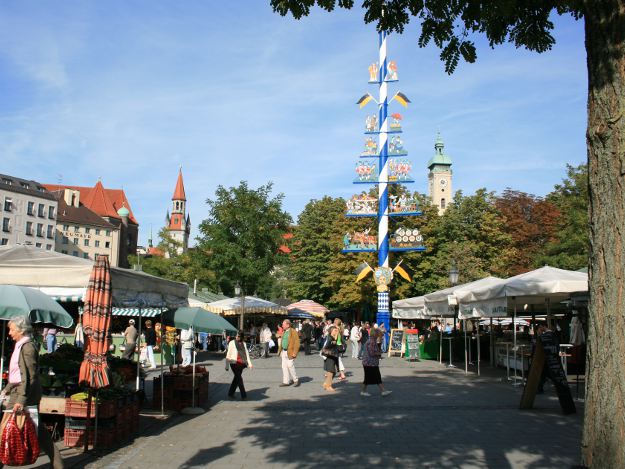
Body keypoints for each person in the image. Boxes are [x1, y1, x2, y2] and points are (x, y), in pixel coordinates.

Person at [0, 317, 64, 468]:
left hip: (23, 394)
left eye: (12, 329)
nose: (10, 333)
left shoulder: (27, 347)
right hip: (20, 391)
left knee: (4, 430)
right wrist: (6, 389)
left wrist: (20, 400)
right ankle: (59, 465)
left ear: (21, 330)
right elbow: (17, 374)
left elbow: (30, 375)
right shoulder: (20, 345)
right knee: (40, 433)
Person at [361, 328, 392, 397]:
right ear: (375, 334)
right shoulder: (372, 341)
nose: (379, 335)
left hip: (369, 363)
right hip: (370, 363)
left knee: (373, 377)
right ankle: (382, 390)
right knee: (372, 377)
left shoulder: (372, 340)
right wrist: (379, 353)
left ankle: (382, 390)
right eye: (378, 334)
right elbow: (372, 353)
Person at [226, 330, 253, 400]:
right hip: (233, 363)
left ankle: (230, 393)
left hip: (241, 363)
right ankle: (244, 396)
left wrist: (250, 364)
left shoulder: (243, 343)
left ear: (241, 337)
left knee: (236, 379)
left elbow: (246, 354)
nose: (236, 337)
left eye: (238, 336)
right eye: (236, 336)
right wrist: (227, 365)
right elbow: (228, 354)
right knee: (239, 379)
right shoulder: (232, 343)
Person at [277, 319, 300, 387]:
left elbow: (297, 343)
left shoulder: (293, 331)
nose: (282, 326)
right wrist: (279, 351)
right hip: (284, 351)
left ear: (288, 325)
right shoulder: (284, 331)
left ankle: (295, 380)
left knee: (290, 365)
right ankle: (286, 382)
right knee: (284, 367)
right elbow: (282, 342)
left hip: (290, 352)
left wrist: (295, 353)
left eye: (283, 324)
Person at [321, 326, 340, 392]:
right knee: (330, 372)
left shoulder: (332, 338)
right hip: (329, 357)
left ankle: (326, 383)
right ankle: (328, 386)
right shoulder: (329, 338)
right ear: (331, 331)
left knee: (333, 372)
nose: (336, 332)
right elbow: (324, 349)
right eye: (335, 330)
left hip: (333, 356)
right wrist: (330, 353)